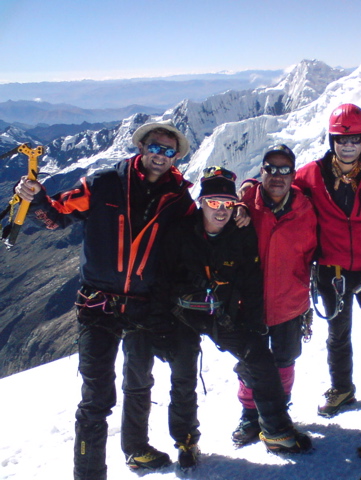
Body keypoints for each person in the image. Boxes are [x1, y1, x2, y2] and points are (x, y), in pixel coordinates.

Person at [14, 120, 197, 478]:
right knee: (96, 399)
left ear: (175, 157)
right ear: (142, 147)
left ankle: (137, 449)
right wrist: (36, 198)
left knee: (140, 383)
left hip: (144, 305)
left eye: (168, 151)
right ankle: (89, 473)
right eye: (155, 148)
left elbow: (193, 242)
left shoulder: (179, 198)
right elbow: (58, 215)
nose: (161, 156)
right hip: (97, 305)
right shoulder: (102, 183)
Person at [152, 166, 313, 454]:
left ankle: (275, 429)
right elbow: (161, 279)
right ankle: (185, 441)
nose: (221, 210)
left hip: (220, 313)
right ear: (201, 202)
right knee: (184, 376)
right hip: (181, 316)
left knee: (260, 358)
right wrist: (161, 326)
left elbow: (251, 282)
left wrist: (251, 325)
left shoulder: (240, 233)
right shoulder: (179, 233)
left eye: (227, 204)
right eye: (213, 203)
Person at [294, 103, 361, 438]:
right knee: (337, 335)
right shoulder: (311, 175)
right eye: (342, 139)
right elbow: (281, 189)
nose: (348, 145)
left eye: (354, 138)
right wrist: (250, 189)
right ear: (332, 141)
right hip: (333, 271)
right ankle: (342, 388)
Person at [231, 145, 317, 446]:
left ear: (293, 174)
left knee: (284, 361)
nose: (277, 175)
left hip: (290, 302)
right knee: (249, 362)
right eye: (271, 168)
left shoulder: (307, 210)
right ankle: (250, 416)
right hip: (248, 304)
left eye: (284, 170)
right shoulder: (245, 204)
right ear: (261, 171)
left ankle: (278, 411)